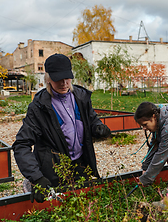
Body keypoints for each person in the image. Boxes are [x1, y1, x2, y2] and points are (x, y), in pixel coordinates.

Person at [12, 53, 111, 203]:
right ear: (48, 78)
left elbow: (91, 120)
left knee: (81, 208)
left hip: (81, 167)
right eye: (58, 79)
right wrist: (37, 178)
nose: (64, 83)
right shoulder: (39, 108)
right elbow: (21, 145)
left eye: (67, 77)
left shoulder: (81, 98)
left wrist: (98, 128)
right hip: (53, 173)